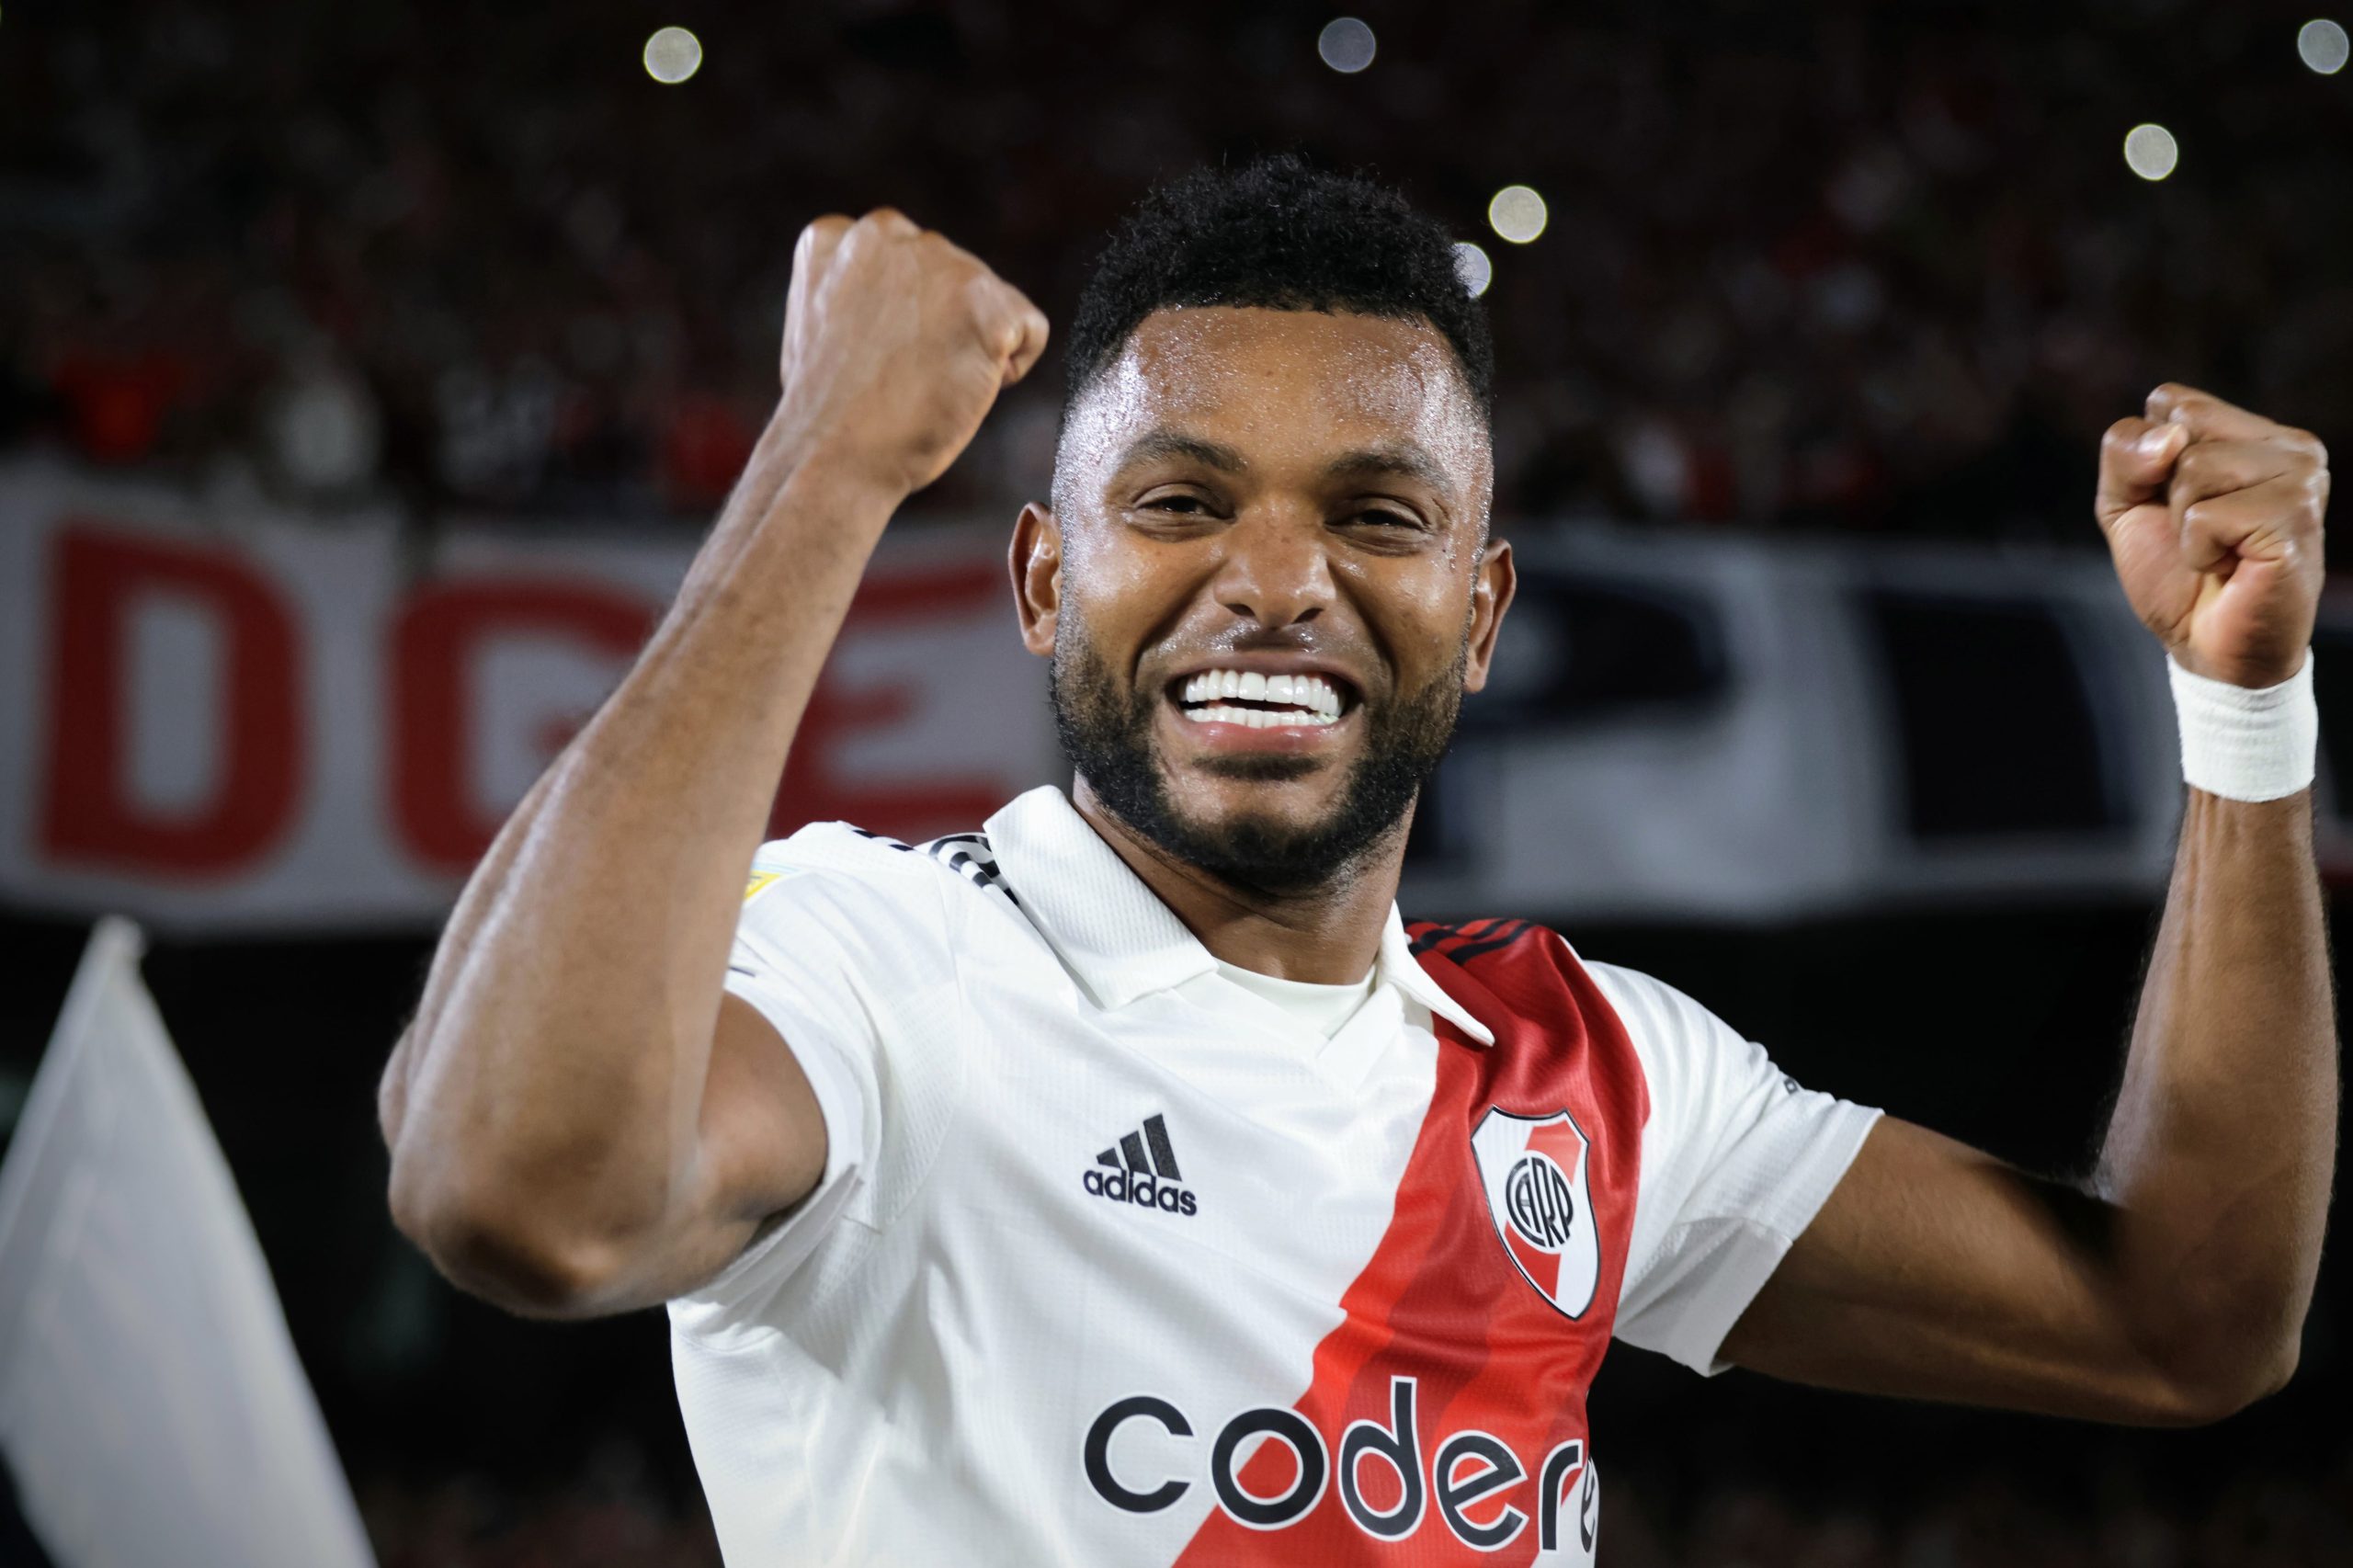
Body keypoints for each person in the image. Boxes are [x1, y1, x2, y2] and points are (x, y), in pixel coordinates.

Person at [377, 159, 2336, 1565]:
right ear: (1044, 583)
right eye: (1178, 500)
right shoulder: (880, 964)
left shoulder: (1596, 1075)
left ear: (1479, 620)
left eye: (1377, 516)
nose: (1276, 581)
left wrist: (2240, 707)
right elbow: (511, 1190)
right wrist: (827, 457)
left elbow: (2188, 1320)